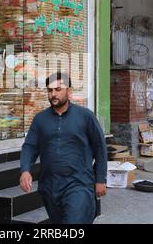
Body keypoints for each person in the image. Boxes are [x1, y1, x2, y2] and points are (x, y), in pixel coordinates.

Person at [19, 72, 107, 224]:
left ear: (69, 91)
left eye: (58, 89)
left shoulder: (86, 116)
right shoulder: (40, 119)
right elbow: (30, 147)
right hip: (50, 186)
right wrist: (25, 170)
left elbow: (100, 148)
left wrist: (100, 179)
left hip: (78, 185)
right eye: (50, 90)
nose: (53, 94)